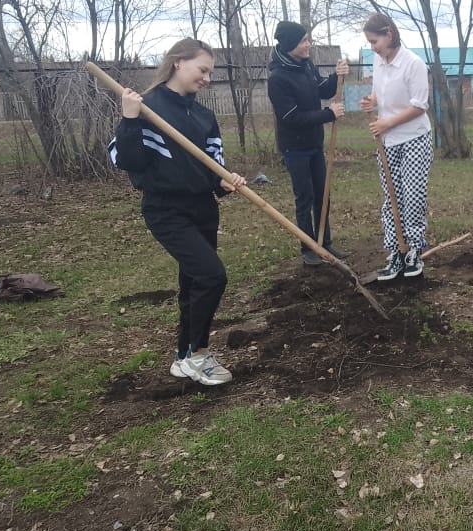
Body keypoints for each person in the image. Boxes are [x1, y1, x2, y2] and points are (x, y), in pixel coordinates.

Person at [108, 38, 247, 385]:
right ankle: (199, 355)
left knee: (193, 283)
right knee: (212, 276)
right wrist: (129, 118)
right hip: (166, 209)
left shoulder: (203, 116)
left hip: (203, 208)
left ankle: (184, 357)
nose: (207, 79)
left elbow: (213, 165)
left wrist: (223, 181)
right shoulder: (148, 107)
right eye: (203, 70)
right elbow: (126, 160)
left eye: (210, 73)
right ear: (178, 63)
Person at [267, 21, 349, 266]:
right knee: (304, 197)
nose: (308, 44)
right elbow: (291, 117)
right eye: (303, 41)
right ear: (291, 44)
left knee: (322, 194)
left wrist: (337, 76)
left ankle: (325, 242)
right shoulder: (278, 78)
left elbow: (323, 90)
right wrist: (328, 114)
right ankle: (308, 247)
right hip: (295, 148)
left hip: (314, 143)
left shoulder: (307, 66)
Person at [360, 13, 433, 280]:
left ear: (389, 35)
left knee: (413, 196)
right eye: (369, 42)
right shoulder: (379, 62)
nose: (372, 47)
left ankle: (413, 249)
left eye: (374, 41)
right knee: (392, 198)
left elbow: (419, 105)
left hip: (414, 138)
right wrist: (373, 101)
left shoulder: (413, 64)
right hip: (387, 142)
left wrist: (387, 123)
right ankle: (396, 251)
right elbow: (380, 92)